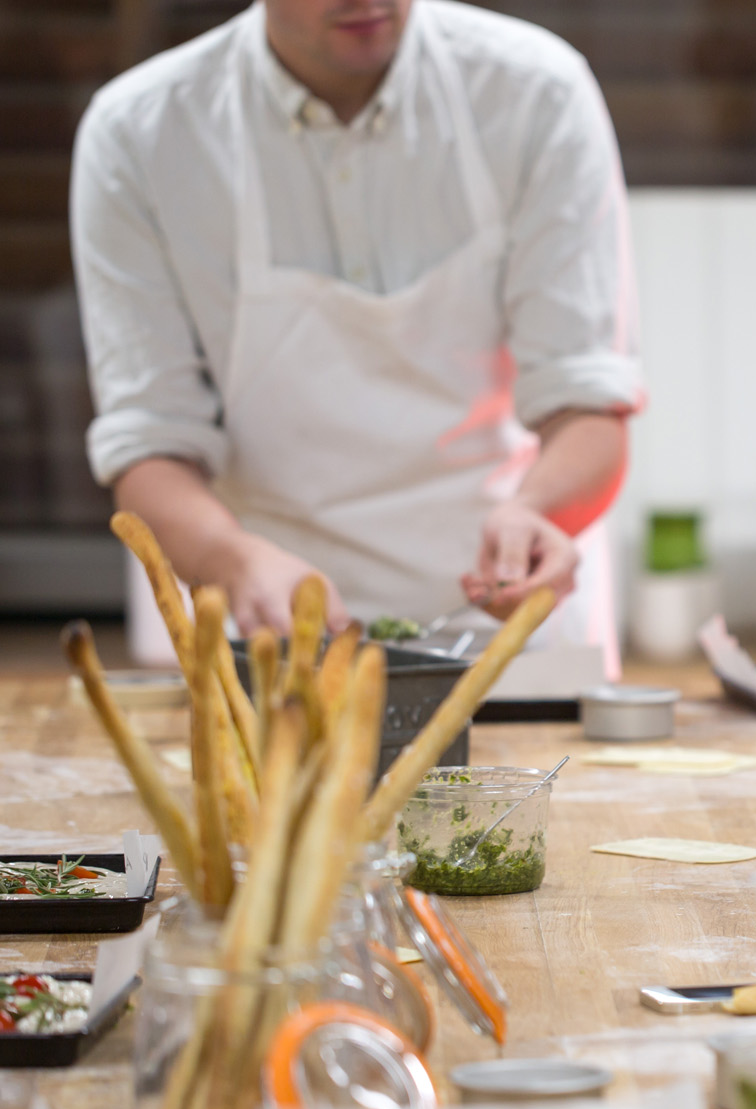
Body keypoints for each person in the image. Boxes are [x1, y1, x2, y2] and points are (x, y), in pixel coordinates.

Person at [72, 0, 638, 665]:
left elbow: (589, 403)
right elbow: (148, 443)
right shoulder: (141, 134)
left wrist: (540, 511)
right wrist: (228, 557)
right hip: (278, 640)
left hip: (512, 634)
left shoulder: (534, 91)